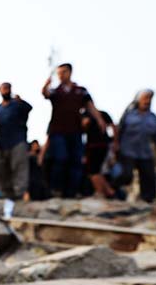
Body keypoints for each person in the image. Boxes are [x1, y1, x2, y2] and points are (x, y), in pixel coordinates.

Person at [42, 63, 111, 198]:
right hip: (58, 131)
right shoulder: (56, 91)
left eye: (64, 72)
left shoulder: (80, 91)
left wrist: (99, 120)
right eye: (59, 73)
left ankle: (72, 191)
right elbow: (46, 94)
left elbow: (91, 106)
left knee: (76, 161)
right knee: (60, 158)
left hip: (75, 131)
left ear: (70, 72)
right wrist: (46, 85)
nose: (61, 75)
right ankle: (56, 189)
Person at [114, 89, 156, 203]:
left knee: (148, 176)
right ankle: (115, 193)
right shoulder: (128, 115)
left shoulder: (153, 118)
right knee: (125, 175)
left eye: (150, 98)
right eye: (145, 98)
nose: (147, 101)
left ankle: (148, 199)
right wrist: (115, 144)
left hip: (144, 152)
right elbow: (119, 130)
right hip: (127, 150)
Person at [0, 82, 31, 202]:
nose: (6, 91)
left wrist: (21, 101)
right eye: (3, 88)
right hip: (0, 145)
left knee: (19, 168)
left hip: (17, 141)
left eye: (8, 88)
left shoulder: (17, 104)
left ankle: (19, 194)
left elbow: (28, 108)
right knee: (1, 171)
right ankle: (6, 196)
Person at [82, 109, 115, 199]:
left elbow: (113, 126)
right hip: (102, 145)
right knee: (97, 170)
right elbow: (113, 127)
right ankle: (108, 191)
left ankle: (100, 192)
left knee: (92, 170)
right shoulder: (102, 113)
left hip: (94, 146)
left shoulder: (87, 114)